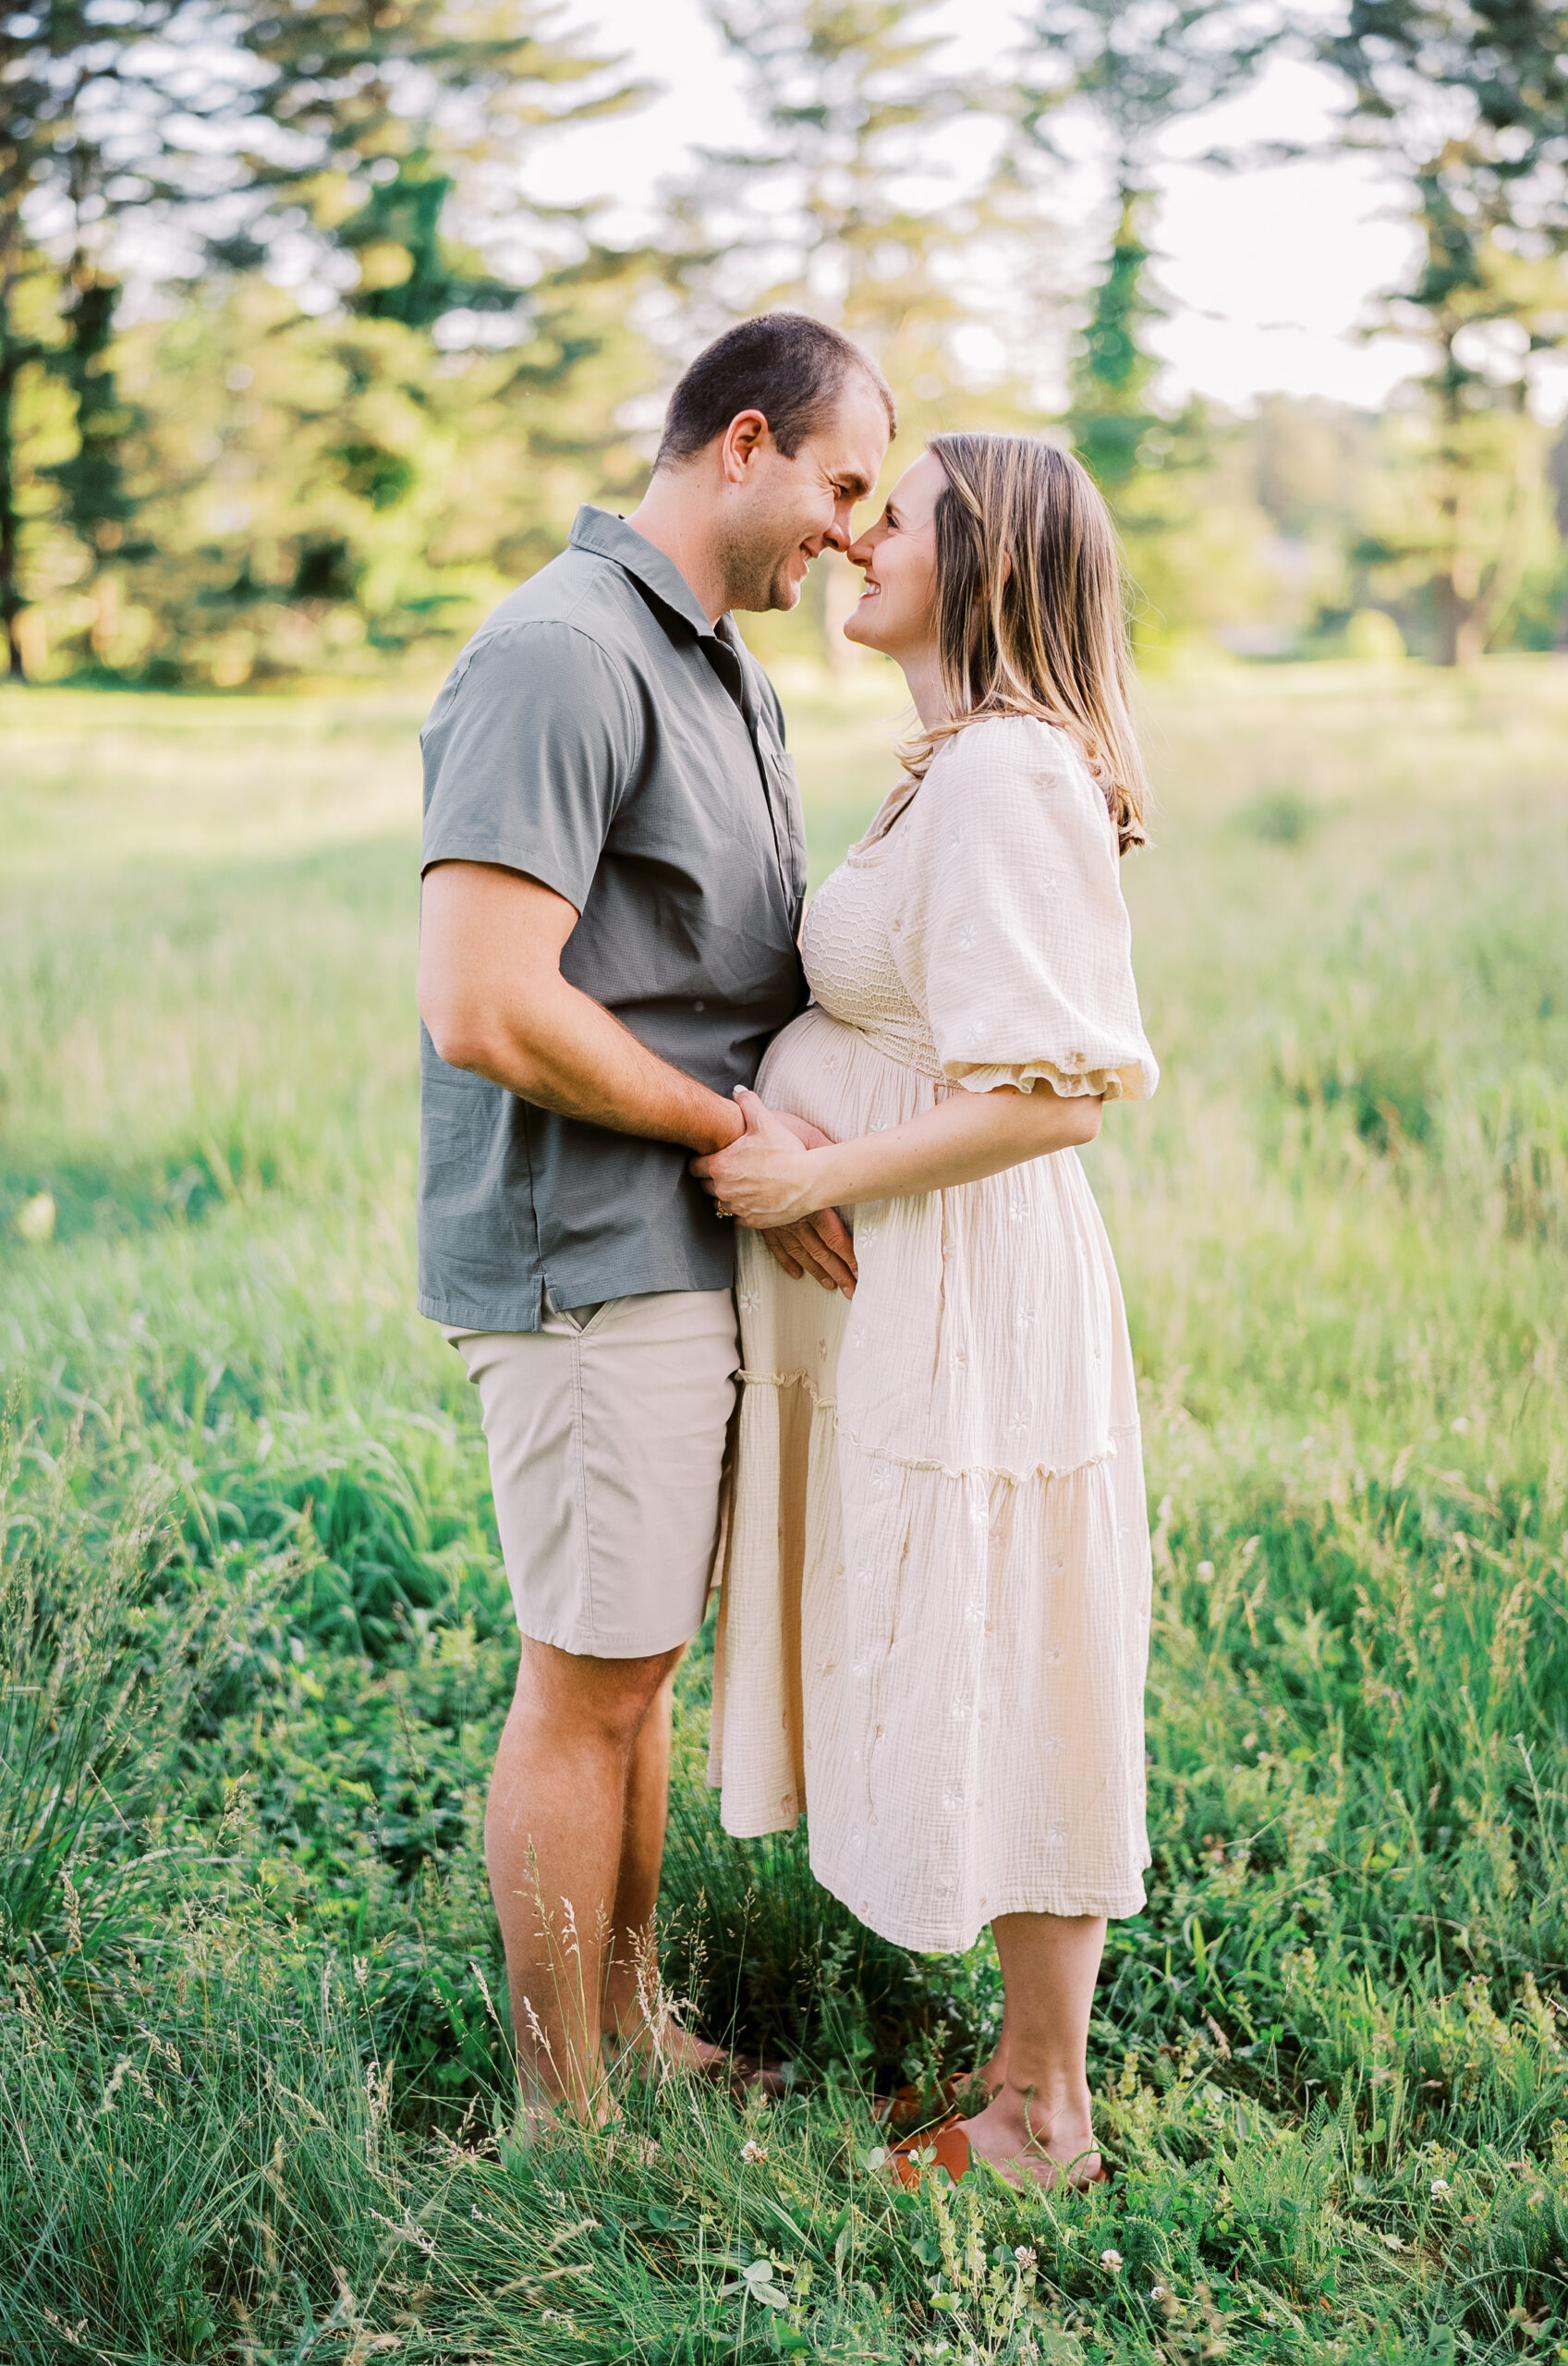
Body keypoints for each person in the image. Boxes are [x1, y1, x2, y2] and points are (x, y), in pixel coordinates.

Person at [415, 312, 894, 2119]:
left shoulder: (720, 668)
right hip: (583, 1253)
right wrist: (730, 1129)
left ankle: (633, 2027)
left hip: (672, 1244)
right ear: (745, 441)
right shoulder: (561, 651)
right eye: (841, 485)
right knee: (581, 1678)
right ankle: (564, 2115)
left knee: (632, 1667)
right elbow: (483, 997)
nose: (851, 530)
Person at [697, 432, 1159, 2189]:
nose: (858, 536)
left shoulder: (1004, 776)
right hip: (929, 1280)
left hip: (972, 1284)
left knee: (1026, 1645)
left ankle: (1046, 2113)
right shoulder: (952, 768)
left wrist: (815, 1179)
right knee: (988, 1629)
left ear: (993, 564)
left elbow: (1057, 1094)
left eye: (901, 517)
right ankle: (1030, 2069)